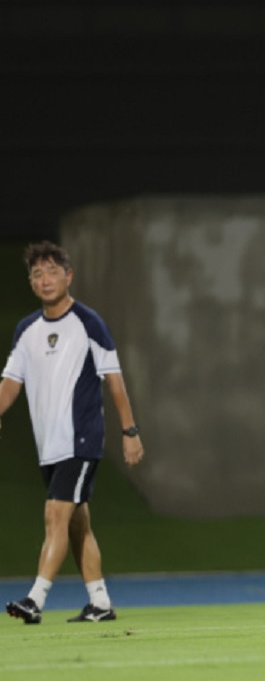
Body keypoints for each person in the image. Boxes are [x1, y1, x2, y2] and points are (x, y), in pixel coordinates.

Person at [1, 241, 145, 625]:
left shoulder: (88, 323)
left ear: (68, 276)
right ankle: (100, 603)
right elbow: (10, 383)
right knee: (79, 523)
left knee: (55, 515)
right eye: (36, 274)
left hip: (80, 439)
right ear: (31, 284)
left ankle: (35, 599)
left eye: (51, 272)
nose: (44, 280)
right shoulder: (26, 330)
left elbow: (114, 381)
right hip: (48, 445)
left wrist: (129, 431)